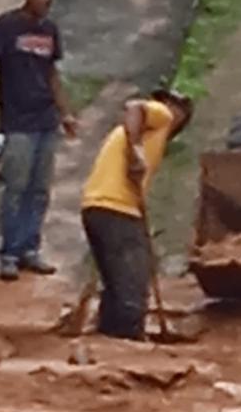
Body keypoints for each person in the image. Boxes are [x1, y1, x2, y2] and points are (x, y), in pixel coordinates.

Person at [0, 0, 78, 281]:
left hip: (45, 119)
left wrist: (66, 113)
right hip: (18, 120)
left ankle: (30, 249)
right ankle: (9, 252)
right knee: (16, 187)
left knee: (39, 190)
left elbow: (52, 75)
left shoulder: (50, 30)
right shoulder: (6, 26)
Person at [80, 89, 193, 340]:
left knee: (116, 283)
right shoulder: (161, 116)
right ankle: (128, 340)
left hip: (96, 207)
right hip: (116, 208)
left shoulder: (148, 133)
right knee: (133, 281)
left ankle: (110, 336)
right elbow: (133, 106)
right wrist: (135, 151)